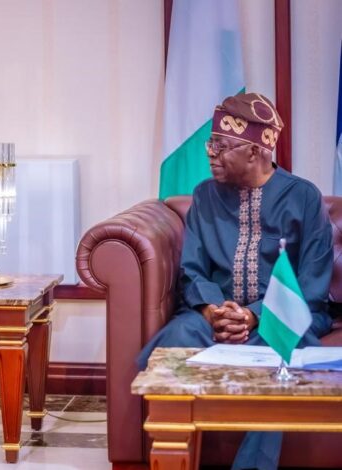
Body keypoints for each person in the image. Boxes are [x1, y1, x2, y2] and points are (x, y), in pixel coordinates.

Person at [137, 92, 334, 470]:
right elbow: (192, 270)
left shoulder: (304, 197)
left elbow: (311, 284)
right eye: (211, 143)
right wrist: (213, 312)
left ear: (256, 152)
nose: (210, 153)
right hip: (214, 314)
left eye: (221, 146)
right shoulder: (204, 196)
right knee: (176, 342)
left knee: (283, 356)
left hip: (283, 316)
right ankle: (172, 456)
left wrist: (255, 315)